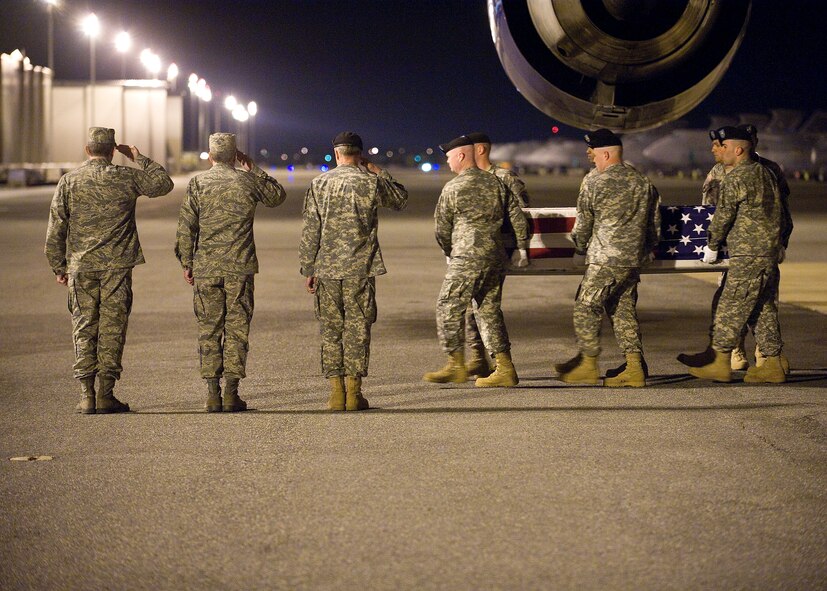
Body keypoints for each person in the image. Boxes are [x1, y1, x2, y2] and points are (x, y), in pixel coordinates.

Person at [45, 127, 173, 414]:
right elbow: (162, 184)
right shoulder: (125, 177)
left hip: (81, 265)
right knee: (113, 327)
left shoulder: (69, 181)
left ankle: (86, 395)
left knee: (84, 327)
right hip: (117, 265)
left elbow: (56, 227)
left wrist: (58, 265)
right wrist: (140, 158)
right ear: (114, 150)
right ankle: (106, 393)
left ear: (87, 149)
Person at [175, 133, 286, 412]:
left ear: (210, 156)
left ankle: (213, 394)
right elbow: (277, 197)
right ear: (236, 155)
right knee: (237, 330)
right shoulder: (247, 180)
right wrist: (253, 168)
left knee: (209, 329)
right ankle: (231, 393)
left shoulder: (198, 183)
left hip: (207, 268)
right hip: (240, 267)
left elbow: (186, 227)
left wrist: (187, 262)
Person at [300, 132, 408, 411]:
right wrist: (377, 170)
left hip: (326, 267)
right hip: (360, 267)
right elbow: (400, 199)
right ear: (359, 155)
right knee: (358, 329)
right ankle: (354, 392)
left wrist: (308, 268)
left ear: (336, 154)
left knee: (331, 329)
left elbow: (311, 229)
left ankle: (335, 393)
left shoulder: (319, 183)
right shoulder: (371, 182)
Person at [679, 124, 793, 374]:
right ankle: (772, 362)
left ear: (739, 149)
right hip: (766, 252)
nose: (715, 149)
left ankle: (720, 361)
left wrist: (711, 244)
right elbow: (783, 213)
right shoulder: (767, 173)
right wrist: (779, 243)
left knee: (730, 304)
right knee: (763, 306)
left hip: (746, 253)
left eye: (723, 145)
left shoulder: (736, 176)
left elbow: (721, 215)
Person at [555, 128, 660, 387]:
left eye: (593, 152)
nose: (590, 156)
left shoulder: (595, 182)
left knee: (585, 306)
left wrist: (579, 248)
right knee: (622, 310)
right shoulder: (643, 182)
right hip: (631, 259)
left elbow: (584, 223)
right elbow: (654, 226)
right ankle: (634, 366)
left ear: (607, 153)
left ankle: (588, 363)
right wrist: (643, 250)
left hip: (606, 257)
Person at [423, 135, 530, 388]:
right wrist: (521, 247)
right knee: (488, 310)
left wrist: (451, 250)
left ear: (461, 156)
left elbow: (441, 228)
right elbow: (517, 216)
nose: (447, 162)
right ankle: (505, 368)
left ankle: (455, 364)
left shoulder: (454, 187)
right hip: (494, 255)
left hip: (467, 255)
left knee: (448, 305)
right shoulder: (497, 183)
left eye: (449, 157)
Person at [460, 131, 531, 378]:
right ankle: (478, 357)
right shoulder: (467, 179)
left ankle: (497, 362)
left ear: (479, 149)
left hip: (496, 251)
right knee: (471, 305)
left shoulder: (504, 177)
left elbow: (523, 212)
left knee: (484, 305)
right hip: (472, 252)